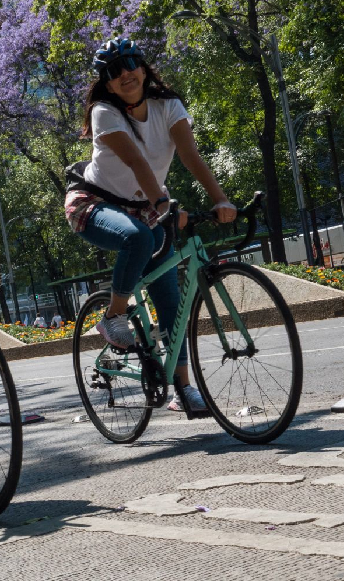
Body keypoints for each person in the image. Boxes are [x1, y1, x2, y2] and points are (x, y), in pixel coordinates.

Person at [64, 38, 237, 413]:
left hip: (146, 205)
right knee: (136, 237)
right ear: (107, 83)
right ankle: (113, 317)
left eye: (130, 64)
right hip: (95, 202)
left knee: (171, 300)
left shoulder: (168, 106)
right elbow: (137, 163)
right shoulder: (104, 112)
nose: (125, 73)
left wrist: (219, 199)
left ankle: (184, 390)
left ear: (143, 68)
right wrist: (164, 206)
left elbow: (190, 155)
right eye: (114, 71)